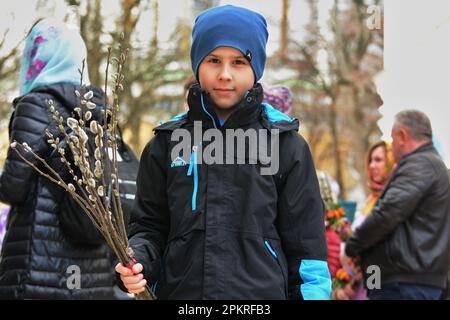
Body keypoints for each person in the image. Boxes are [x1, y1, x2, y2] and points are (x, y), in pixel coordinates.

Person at [115, 5, 331, 299]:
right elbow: (149, 227)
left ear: (256, 69)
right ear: (197, 65)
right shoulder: (165, 144)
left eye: (239, 62)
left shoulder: (285, 145)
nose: (225, 74)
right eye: (214, 60)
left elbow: (307, 247)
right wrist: (138, 261)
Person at [0, 19, 116, 299]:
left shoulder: (37, 104)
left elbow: (12, 188)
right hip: (91, 273)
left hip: (37, 266)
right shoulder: (99, 110)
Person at [344, 110, 450, 300]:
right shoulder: (431, 166)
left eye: (393, 139)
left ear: (403, 135)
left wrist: (352, 247)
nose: (392, 147)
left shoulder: (419, 165)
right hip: (406, 279)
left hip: (406, 283)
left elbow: (387, 214)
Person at [334, 141, 395, 300]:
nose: (372, 165)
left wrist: (354, 283)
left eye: (379, 160)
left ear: (391, 163)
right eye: (370, 161)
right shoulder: (369, 201)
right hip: (359, 283)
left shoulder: (392, 202)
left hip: (378, 282)